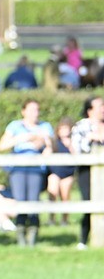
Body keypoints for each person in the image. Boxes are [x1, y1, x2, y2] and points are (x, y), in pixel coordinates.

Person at [0, 99, 53, 246]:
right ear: (23, 111)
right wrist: (20, 139)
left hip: (36, 168)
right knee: (20, 201)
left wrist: (44, 142)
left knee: (33, 201)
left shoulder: (45, 126)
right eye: (31, 109)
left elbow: (52, 146)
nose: (35, 113)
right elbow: (2, 145)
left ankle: (33, 235)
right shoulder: (15, 126)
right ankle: (21, 236)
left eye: (37, 109)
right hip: (18, 168)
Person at [71, 96, 104, 249]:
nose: (103, 109)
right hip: (87, 170)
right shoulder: (81, 126)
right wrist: (91, 138)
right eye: (100, 106)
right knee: (89, 202)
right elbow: (76, 149)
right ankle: (84, 239)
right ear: (90, 110)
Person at [46, 118, 75, 228]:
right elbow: (46, 154)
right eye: (62, 129)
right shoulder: (54, 142)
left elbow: (77, 156)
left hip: (68, 172)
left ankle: (64, 220)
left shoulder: (74, 141)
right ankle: (51, 219)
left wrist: (70, 146)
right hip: (55, 172)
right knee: (52, 193)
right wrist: (48, 146)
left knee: (65, 196)